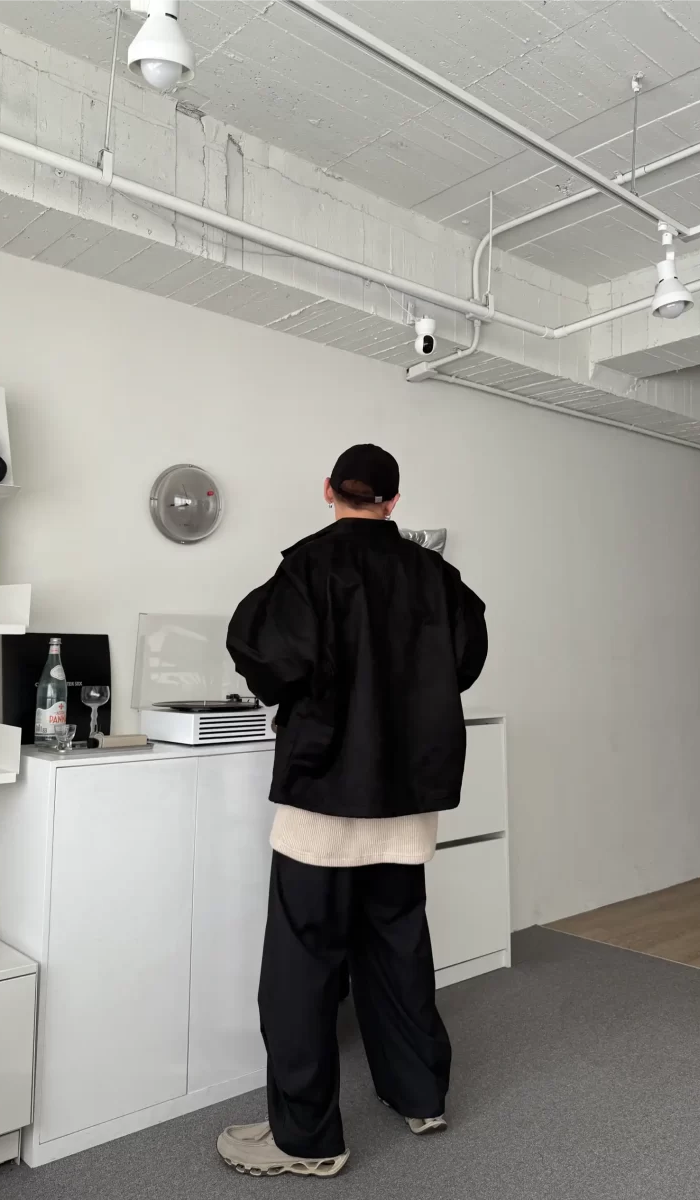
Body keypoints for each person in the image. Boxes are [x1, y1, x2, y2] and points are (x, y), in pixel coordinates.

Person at [218, 444, 487, 1178]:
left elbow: (265, 658)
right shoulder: (435, 575)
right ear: (393, 502)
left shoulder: (307, 567)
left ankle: (306, 1141)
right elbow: (464, 660)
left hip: (325, 795)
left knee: (302, 966)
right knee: (398, 946)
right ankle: (420, 1096)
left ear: (329, 491)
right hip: (407, 796)